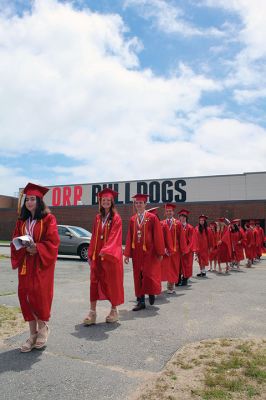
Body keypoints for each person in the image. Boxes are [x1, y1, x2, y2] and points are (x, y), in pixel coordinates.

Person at [11, 183, 60, 352]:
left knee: (39, 295)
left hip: (40, 263)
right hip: (26, 263)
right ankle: (32, 334)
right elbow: (15, 240)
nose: (30, 202)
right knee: (25, 295)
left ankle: (43, 328)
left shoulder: (48, 219)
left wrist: (37, 248)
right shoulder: (22, 221)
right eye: (27, 199)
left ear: (39, 201)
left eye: (33, 199)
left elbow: (53, 242)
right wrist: (21, 245)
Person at [83, 188, 124, 325]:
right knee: (94, 282)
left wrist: (106, 250)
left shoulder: (116, 218)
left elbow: (115, 237)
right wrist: (90, 253)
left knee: (111, 283)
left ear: (112, 202)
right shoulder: (98, 218)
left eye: (108, 200)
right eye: (103, 200)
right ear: (100, 202)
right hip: (97, 256)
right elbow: (94, 236)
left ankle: (114, 310)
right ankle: (92, 312)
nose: (106, 202)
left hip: (110, 257)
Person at [124, 194, 165, 311]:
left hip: (150, 252)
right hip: (137, 253)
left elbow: (157, 235)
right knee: (138, 276)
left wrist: (160, 252)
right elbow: (129, 236)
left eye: (140, 203)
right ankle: (141, 300)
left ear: (145, 204)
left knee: (149, 274)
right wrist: (127, 254)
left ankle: (151, 292)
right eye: (136, 203)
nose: (138, 205)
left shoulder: (152, 218)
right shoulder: (133, 219)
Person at [161, 204, 184, 293]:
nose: (169, 212)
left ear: (173, 212)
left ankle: (171, 285)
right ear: (165, 212)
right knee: (166, 267)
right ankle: (168, 283)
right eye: (167, 211)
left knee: (174, 267)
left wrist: (183, 249)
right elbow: (160, 237)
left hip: (175, 250)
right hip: (165, 250)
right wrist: (163, 248)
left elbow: (181, 237)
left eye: (170, 211)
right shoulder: (162, 223)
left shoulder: (177, 223)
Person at [177, 209, 194, 286]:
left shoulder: (190, 228)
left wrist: (186, 250)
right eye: (181, 216)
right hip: (178, 250)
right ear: (179, 217)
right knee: (178, 265)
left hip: (187, 251)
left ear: (186, 218)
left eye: (184, 217)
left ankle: (185, 280)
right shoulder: (176, 226)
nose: (182, 218)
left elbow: (191, 241)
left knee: (186, 265)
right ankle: (177, 280)